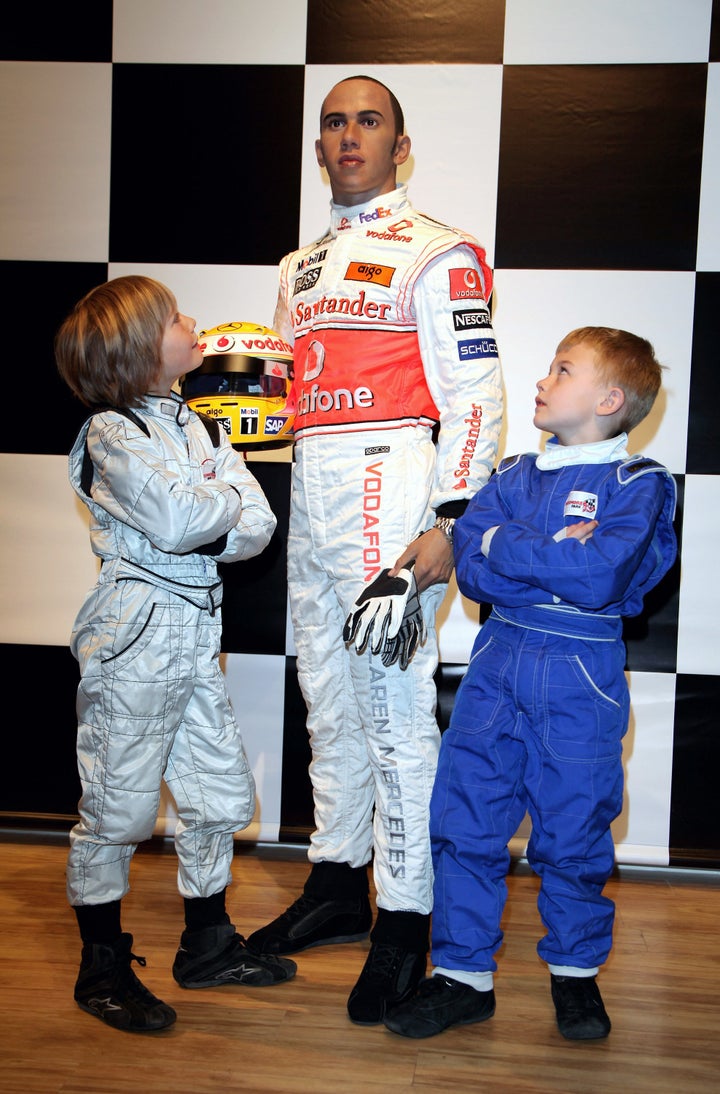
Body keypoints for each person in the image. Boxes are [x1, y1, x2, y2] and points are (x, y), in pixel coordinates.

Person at [245, 75, 503, 1026]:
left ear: (400, 146)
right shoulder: (294, 267)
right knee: (325, 693)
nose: (348, 136)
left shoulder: (439, 253)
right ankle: (338, 881)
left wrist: (450, 521)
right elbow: (284, 396)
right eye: (333, 123)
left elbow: (476, 398)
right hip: (312, 487)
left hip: (392, 481)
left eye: (368, 121)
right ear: (320, 150)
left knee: (396, 710)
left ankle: (406, 922)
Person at [383, 326, 678, 1041]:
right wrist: (529, 551)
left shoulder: (641, 484)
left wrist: (500, 544)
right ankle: (462, 977)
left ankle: (575, 978)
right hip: (497, 662)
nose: (542, 381)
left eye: (562, 369)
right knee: (464, 823)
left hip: (582, 673)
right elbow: (474, 573)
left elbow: (601, 575)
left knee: (575, 831)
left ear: (610, 397)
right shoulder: (512, 474)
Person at [54, 275, 297, 1033]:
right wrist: (214, 497)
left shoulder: (202, 426)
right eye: (173, 318)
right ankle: (99, 968)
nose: (194, 322)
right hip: (135, 631)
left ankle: (208, 943)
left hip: (195, 629)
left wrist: (209, 498)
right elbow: (179, 517)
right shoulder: (109, 432)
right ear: (133, 349)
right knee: (119, 807)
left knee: (220, 792)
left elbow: (254, 525)